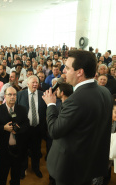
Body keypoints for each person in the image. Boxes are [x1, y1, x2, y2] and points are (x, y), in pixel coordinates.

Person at [42, 50, 113, 185]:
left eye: (68, 68)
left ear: (79, 72)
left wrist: (50, 104)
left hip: (72, 169)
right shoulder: (104, 92)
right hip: (92, 164)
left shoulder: (76, 100)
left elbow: (54, 131)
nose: (64, 71)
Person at [0, 87, 29, 185]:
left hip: (18, 149)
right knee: (1, 176)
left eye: (14, 94)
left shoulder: (22, 109)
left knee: (16, 176)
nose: (12, 97)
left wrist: (19, 130)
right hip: (3, 150)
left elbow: (26, 125)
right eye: (10, 94)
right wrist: (3, 128)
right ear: (5, 96)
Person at [16, 75, 47, 179]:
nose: (35, 84)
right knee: (23, 150)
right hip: (24, 129)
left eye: (36, 82)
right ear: (27, 84)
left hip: (37, 128)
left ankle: (36, 168)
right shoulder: (20, 95)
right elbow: (14, 110)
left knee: (36, 150)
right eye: (32, 82)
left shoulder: (43, 95)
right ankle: (22, 169)